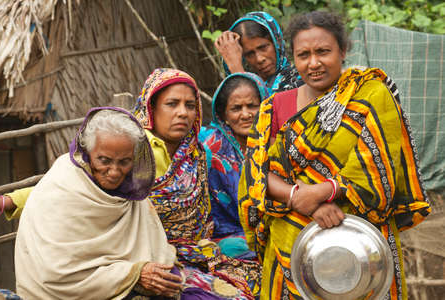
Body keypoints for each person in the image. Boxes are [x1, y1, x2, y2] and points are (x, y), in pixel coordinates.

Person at [238, 11, 431, 299]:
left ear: (342, 51)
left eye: (323, 52)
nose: (313, 63)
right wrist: (303, 201)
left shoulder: (371, 95)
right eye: (303, 54)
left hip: (363, 248)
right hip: (291, 243)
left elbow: (382, 170)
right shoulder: (275, 107)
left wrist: (324, 190)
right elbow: (256, 173)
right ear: (293, 57)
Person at [15, 107, 182, 299]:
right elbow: (56, 273)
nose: (114, 171)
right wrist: (134, 274)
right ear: (88, 153)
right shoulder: (62, 187)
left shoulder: (130, 190)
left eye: (124, 161)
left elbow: (153, 247)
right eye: (104, 160)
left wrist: (151, 272)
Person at [134, 68, 261, 299]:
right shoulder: (134, 154)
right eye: (172, 104)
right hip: (148, 259)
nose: (182, 113)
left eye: (190, 105)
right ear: (151, 108)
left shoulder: (198, 156)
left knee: (264, 282)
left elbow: (200, 223)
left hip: (197, 251)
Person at [198, 72, 268, 258]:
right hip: (227, 237)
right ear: (224, 115)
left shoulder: (278, 142)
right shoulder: (210, 148)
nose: (246, 114)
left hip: (271, 229)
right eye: (236, 108)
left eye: (252, 106)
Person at [215, 11, 303, 94]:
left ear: (277, 43)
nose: (259, 59)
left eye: (263, 47)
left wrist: (237, 72)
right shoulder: (234, 88)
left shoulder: (301, 79)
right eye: (249, 54)